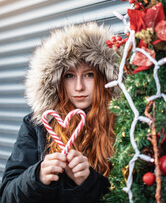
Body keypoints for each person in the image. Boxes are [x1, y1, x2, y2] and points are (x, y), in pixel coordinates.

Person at [0, 23, 118, 203]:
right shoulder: (37, 125)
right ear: (58, 80)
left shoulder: (125, 124)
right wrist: (37, 176)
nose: (79, 87)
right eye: (69, 76)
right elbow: (7, 196)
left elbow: (136, 195)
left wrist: (89, 182)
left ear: (104, 77)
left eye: (89, 75)